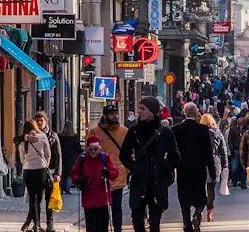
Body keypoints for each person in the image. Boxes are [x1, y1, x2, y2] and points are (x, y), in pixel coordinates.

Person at [120, 96, 181, 232]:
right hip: (139, 181)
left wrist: (164, 170)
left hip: (156, 183)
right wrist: (134, 167)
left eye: (143, 109)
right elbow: (124, 154)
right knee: (137, 221)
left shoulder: (165, 132)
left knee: (154, 222)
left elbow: (175, 156)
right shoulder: (134, 132)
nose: (139, 112)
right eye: (139, 108)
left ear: (152, 112)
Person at [171, 103, 217, 232]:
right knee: (200, 195)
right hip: (199, 168)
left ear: (184, 113)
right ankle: (197, 213)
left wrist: (172, 168)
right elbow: (208, 152)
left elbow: (173, 151)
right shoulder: (202, 129)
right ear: (196, 113)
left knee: (183, 196)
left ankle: (187, 223)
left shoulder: (176, 129)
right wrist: (212, 169)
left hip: (183, 169)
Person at [93, 103, 130, 232]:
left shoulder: (124, 131)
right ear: (105, 116)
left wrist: (126, 169)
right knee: (101, 208)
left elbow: (131, 152)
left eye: (116, 113)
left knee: (116, 207)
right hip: (99, 176)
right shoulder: (95, 131)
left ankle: (117, 229)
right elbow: (88, 151)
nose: (115, 116)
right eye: (111, 114)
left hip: (118, 174)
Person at [72, 135, 120, 232]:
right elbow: (74, 172)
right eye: (91, 149)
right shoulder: (82, 158)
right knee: (91, 227)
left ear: (99, 148)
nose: (93, 151)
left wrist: (108, 173)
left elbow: (115, 173)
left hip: (103, 199)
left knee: (103, 227)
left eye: (96, 149)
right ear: (87, 149)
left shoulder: (104, 157)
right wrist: (77, 179)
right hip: (88, 199)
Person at [18, 120, 53, 232]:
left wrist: (27, 163)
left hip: (28, 170)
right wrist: (45, 164)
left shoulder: (23, 140)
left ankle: (36, 225)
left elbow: (21, 157)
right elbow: (48, 154)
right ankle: (36, 225)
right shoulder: (42, 137)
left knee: (32, 198)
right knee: (39, 198)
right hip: (41, 170)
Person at [33, 112, 63, 232]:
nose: (40, 123)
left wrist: (58, 173)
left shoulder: (53, 136)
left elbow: (58, 155)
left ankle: (50, 224)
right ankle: (37, 224)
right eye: (38, 121)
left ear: (46, 121)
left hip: (50, 172)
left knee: (50, 200)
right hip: (36, 171)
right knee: (37, 199)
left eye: (42, 120)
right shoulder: (33, 135)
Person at [201, 113, 228, 223]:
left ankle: (199, 210)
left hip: (201, 163)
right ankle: (210, 211)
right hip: (215, 162)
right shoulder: (217, 133)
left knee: (200, 187)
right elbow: (223, 150)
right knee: (211, 189)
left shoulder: (199, 132)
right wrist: (225, 164)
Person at [227, 113, 249, 188]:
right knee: (234, 168)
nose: (241, 120)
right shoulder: (233, 128)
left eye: (242, 118)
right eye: (240, 118)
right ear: (237, 119)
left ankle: (243, 183)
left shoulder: (247, 129)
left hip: (245, 150)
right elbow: (230, 140)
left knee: (244, 168)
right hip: (236, 150)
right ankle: (234, 180)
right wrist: (231, 149)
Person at [59, 123, 81, 195]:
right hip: (72, 158)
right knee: (69, 174)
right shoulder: (74, 136)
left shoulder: (60, 136)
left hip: (63, 156)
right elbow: (78, 148)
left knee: (62, 173)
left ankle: (62, 188)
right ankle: (67, 189)